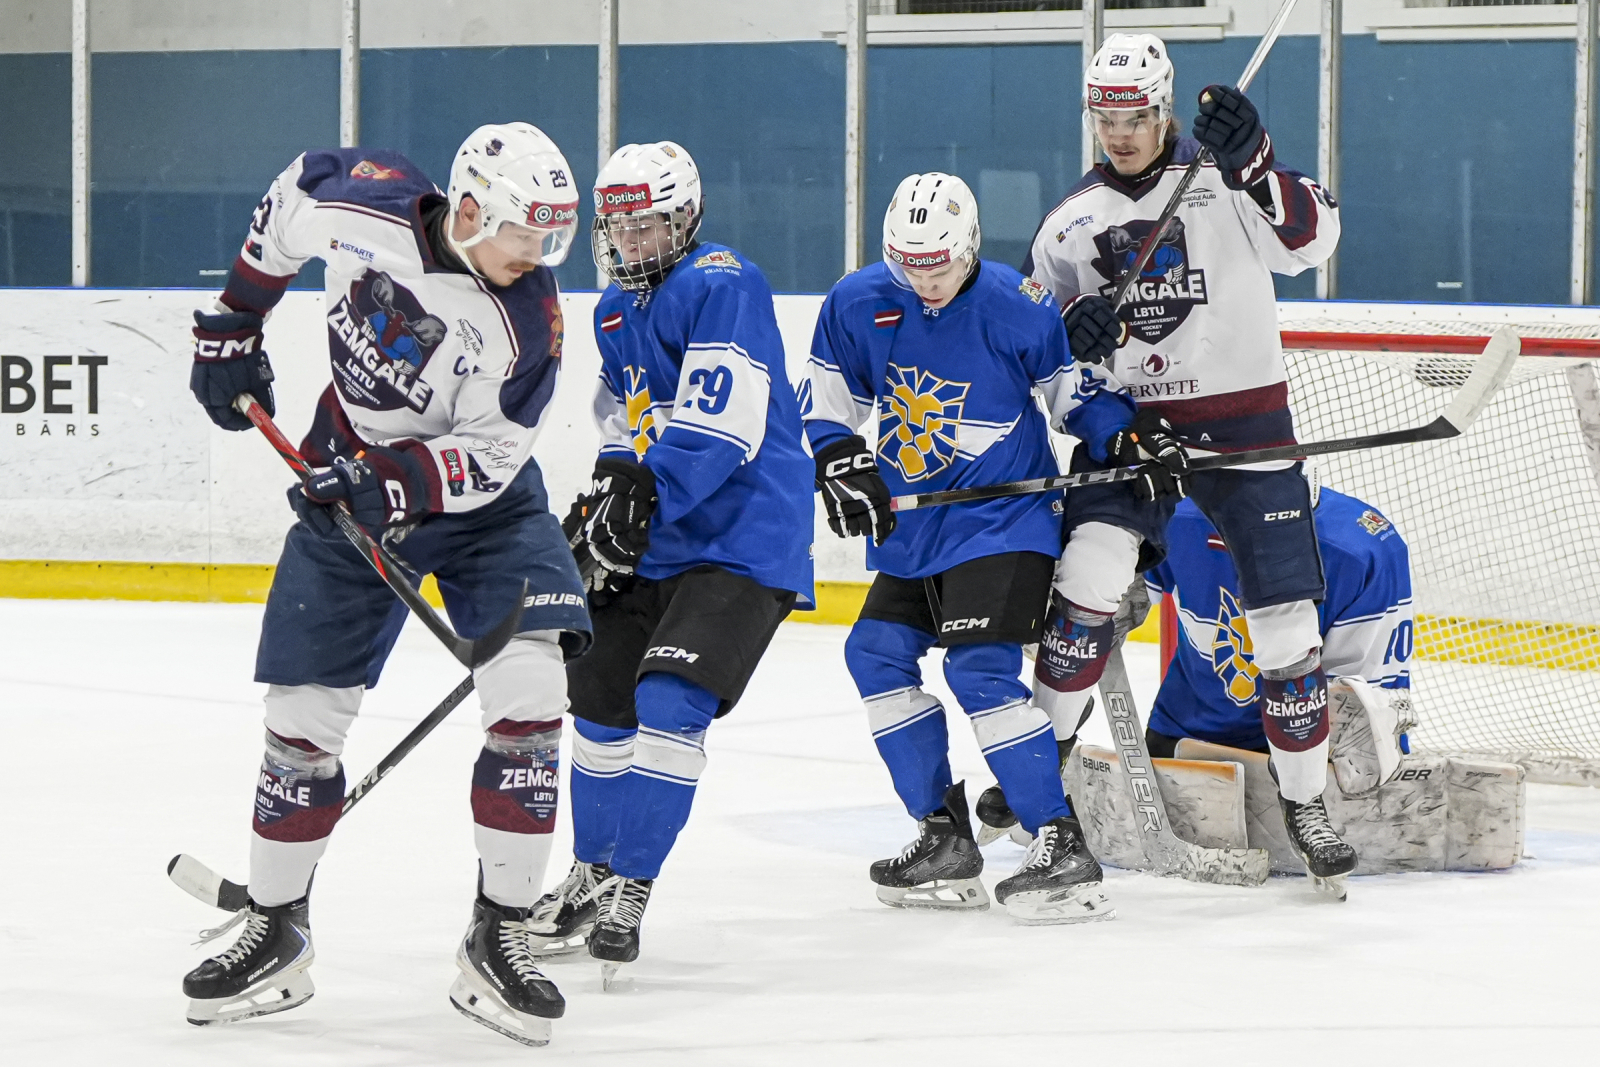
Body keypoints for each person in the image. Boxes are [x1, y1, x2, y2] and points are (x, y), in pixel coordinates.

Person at [181, 123, 589, 1048]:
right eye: (526, 233)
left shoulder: (528, 320)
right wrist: (236, 318)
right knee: (301, 716)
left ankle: (500, 932)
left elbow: (490, 457)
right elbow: (290, 199)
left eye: (553, 239)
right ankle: (276, 930)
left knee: (531, 693)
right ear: (470, 208)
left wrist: (386, 481)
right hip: (347, 468)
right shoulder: (363, 200)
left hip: (482, 506)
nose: (538, 256)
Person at [1020, 32, 1352, 889]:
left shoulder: (1227, 180)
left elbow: (1314, 239)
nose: (1120, 133)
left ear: (1164, 108)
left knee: (1286, 626)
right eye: (1106, 117)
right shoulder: (1070, 222)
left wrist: (1258, 160)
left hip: (1248, 430)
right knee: (1087, 582)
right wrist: (1066, 333)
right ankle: (1036, 773)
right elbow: (1033, 350)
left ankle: (1306, 802)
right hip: (1137, 437)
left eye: (1136, 116)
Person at [800, 172, 1163, 925]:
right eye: (908, 265)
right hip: (915, 529)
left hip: (1006, 520)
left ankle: (1059, 840)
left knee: (979, 669)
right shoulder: (857, 301)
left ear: (968, 247)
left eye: (937, 264)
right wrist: (838, 456)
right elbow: (830, 403)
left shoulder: (1017, 304)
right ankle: (941, 834)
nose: (923, 280)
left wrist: (1122, 435)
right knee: (873, 654)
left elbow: (1072, 397)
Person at [531, 141, 814, 985]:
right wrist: (607, 496)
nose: (628, 238)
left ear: (685, 218)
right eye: (616, 224)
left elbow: (719, 425)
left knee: (670, 698)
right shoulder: (614, 309)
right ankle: (592, 871)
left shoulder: (723, 282)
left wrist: (644, 495)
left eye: (645, 223)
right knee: (597, 697)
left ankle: (632, 883)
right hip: (667, 533)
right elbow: (626, 421)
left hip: (745, 537)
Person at [1144, 475, 1413, 760]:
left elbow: (1361, 713)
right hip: (1183, 731)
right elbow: (1121, 603)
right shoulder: (1175, 518)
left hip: (1308, 746)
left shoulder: (1362, 552)